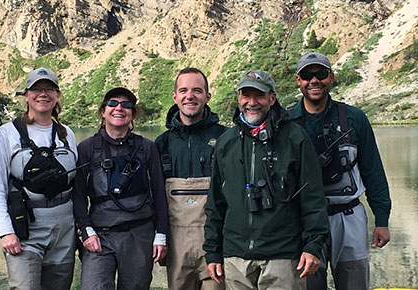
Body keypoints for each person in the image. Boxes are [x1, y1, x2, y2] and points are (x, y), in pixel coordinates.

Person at [203, 70, 330, 290]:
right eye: (246, 95)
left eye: (259, 96)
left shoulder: (295, 138)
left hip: (283, 256)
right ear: (239, 98)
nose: (252, 103)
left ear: (272, 98)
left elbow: (313, 198)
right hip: (236, 257)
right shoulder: (225, 142)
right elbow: (216, 203)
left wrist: (313, 246)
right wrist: (213, 252)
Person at [288, 52, 392, 290]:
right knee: (309, 285)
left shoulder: (355, 118)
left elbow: (373, 171)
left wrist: (382, 219)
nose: (314, 81)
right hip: (302, 221)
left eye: (321, 74)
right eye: (307, 75)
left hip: (349, 217)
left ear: (331, 78)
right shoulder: (286, 122)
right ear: (298, 81)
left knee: (355, 283)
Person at [0, 68, 78, 289]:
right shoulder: (7, 134)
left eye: (48, 89)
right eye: (36, 89)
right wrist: (5, 232)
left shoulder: (67, 134)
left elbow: (76, 186)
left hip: (64, 233)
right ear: (26, 96)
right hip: (25, 232)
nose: (42, 94)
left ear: (57, 96)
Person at [72, 87, 169, 290]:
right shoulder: (87, 148)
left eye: (126, 105)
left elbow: (159, 194)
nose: (119, 108)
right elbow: (78, 196)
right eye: (113, 103)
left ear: (132, 113)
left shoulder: (147, 147)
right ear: (103, 111)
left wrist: (161, 234)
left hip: (139, 234)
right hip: (100, 235)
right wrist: (86, 231)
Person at [154, 67, 227, 290]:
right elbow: (154, 197)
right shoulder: (161, 143)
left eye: (197, 90)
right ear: (175, 97)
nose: (190, 96)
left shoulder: (226, 138)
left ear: (207, 96)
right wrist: (160, 238)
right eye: (183, 90)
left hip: (216, 240)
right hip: (176, 243)